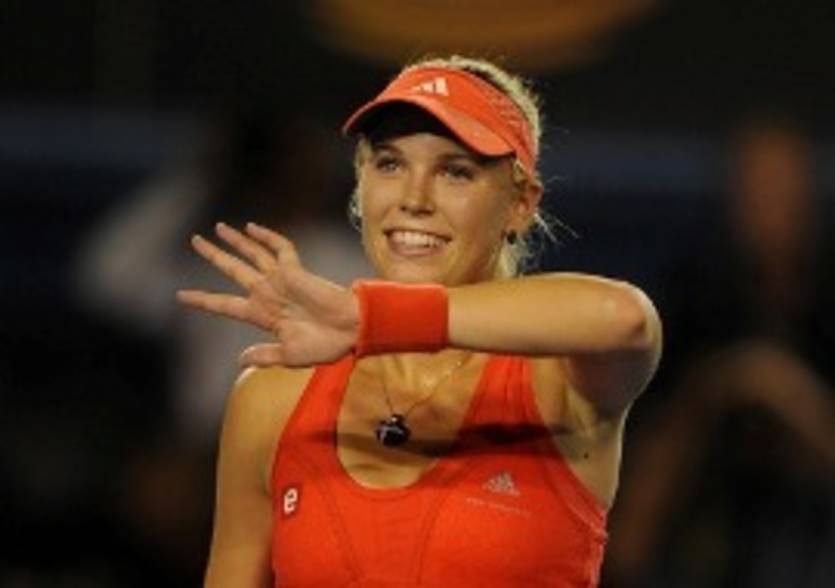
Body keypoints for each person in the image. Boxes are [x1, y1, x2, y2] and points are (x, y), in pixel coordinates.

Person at [177, 55, 663, 587]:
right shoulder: (272, 399)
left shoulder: (561, 380)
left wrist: (373, 318)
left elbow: (623, 317)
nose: (414, 199)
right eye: (390, 164)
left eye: (455, 171)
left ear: (521, 204)